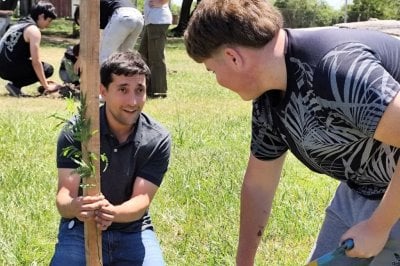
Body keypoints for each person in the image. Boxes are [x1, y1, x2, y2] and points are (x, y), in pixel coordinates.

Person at [184, 0, 400, 265]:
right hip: (362, 190)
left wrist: (379, 226)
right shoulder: (268, 98)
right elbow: (258, 186)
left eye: (212, 70)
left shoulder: (336, 69)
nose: (216, 80)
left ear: (233, 57)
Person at [50, 51, 171, 265]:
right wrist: (76, 207)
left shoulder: (156, 138)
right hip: (80, 228)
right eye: (123, 89)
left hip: (133, 230)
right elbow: (64, 197)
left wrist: (112, 213)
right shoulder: (78, 131)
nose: (133, 101)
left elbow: (142, 200)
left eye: (140, 90)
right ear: (103, 91)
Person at [0, 1, 58, 97]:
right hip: (9, 68)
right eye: (49, 21)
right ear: (41, 16)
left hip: (2, 67)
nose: (48, 25)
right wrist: (46, 86)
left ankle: (15, 84)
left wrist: (41, 79)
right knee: (47, 69)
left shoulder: (18, 24)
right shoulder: (33, 30)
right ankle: (15, 86)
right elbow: (36, 62)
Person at [74, 0, 143, 64]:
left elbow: (97, 38)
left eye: (83, 23)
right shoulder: (104, 9)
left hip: (122, 15)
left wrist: (81, 57)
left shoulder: (91, 9)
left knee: (105, 58)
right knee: (124, 58)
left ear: (82, 14)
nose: (86, 26)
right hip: (139, 17)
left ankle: (105, 77)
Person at [139, 0, 172, 98]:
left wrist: (161, 3)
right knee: (142, 55)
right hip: (151, 22)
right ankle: (148, 88)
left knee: (156, 58)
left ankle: (159, 91)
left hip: (158, 21)